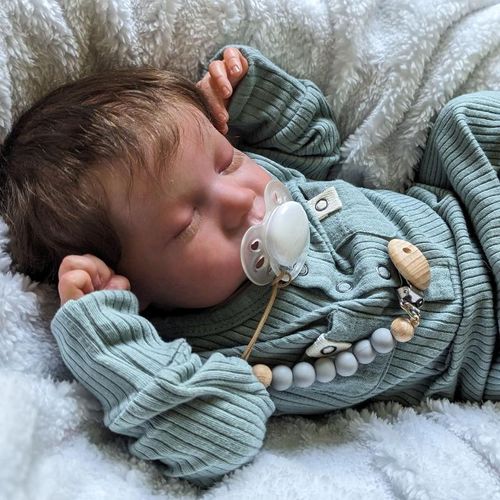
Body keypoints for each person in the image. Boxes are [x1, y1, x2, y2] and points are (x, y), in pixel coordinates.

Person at [1, 45, 500, 487]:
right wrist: (108, 334)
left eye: (225, 161)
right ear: (131, 287)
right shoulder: (198, 356)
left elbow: (320, 149)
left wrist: (250, 95)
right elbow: (220, 439)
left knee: (465, 119)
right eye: (188, 221)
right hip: (481, 342)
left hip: (460, 204)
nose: (240, 199)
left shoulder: (268, 185)